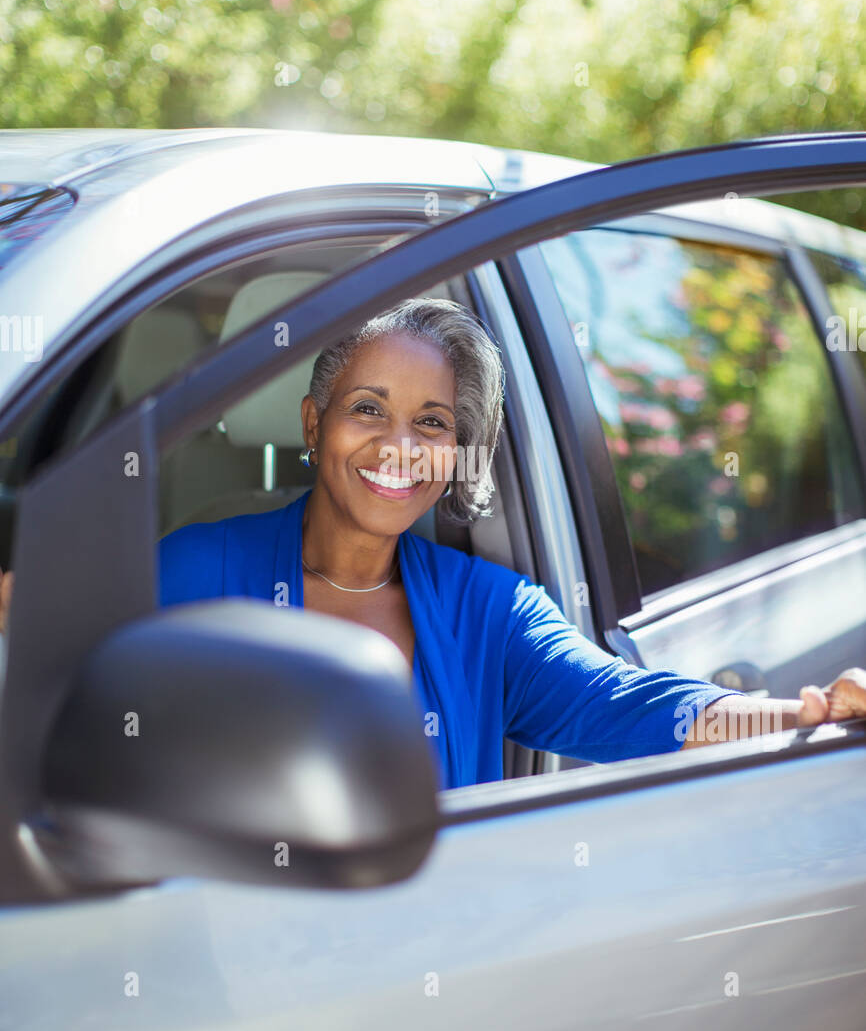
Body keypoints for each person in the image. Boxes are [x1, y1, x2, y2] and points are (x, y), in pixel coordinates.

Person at [1, 298, 865, 788]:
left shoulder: (492, 615)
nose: (398, 447)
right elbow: (49, 661)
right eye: (368, 409)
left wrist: (804, 713)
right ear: (314, 422)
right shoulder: (194, 568)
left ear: (456, 452)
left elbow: (639, 711)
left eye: (432, 422)